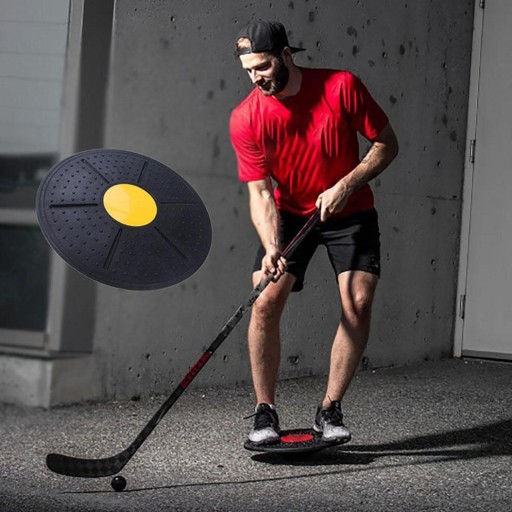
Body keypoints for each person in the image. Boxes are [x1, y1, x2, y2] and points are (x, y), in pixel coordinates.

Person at [229, 20, 399, 445]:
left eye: (262, 67)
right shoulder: (246, 117)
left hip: (350, 211)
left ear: (286, 55)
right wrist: (271, 246)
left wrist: (347, 184)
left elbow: (386, 143)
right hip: (290, 214)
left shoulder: (341, 87)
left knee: (357, 304)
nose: (256, 78)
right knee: (264, 301)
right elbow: (260, 192)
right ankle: (264, 412)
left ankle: (329, 409)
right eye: (248, 71)